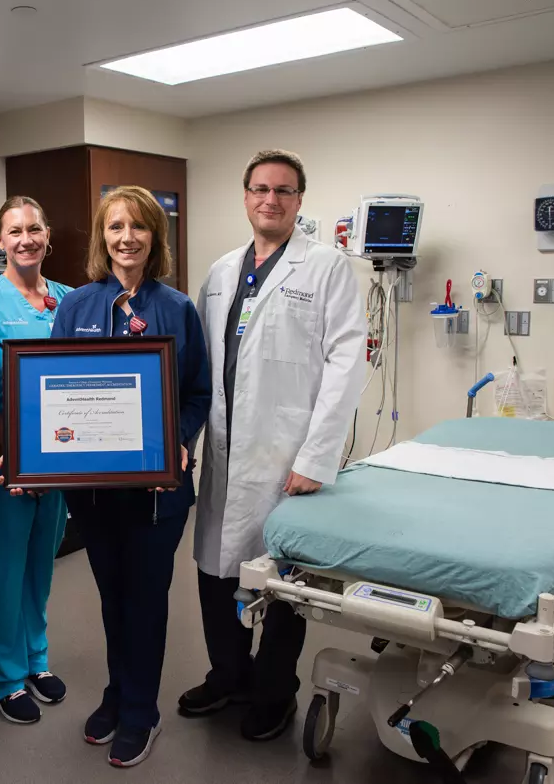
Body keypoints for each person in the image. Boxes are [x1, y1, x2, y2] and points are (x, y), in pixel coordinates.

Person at [181, 149, 365, 740]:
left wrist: (316, 458)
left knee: (283, 579)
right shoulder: (221, 271)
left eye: (284, 191)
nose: (271, 199)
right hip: (224, 449)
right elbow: (195, 363)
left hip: (287, 454)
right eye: (260, 189)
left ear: (299, 201)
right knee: (215, 570)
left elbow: (346, 363)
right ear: (245, 197)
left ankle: (274, 690)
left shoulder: (327, 268)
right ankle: (228, 675)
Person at [49, 185, 210, 767]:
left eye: (139, 227)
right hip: (95, 492)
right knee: (112, 597)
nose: (126, 238)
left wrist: (181, 441)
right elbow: (52, 391)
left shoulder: (177, 309)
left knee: (145, 599)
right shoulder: (75, 308)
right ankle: (118, 694)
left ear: (154, 237)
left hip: (156, 492)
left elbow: (196, 394)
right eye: (116, 226)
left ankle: (142, 710)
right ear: (102, 236)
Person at [0, 197, 73, 724]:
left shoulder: (69, 299)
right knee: (3, 573)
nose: (26, 239)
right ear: (0, 240)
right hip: (5, 465)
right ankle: (7, 676)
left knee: (41, 564)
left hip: (58, 461)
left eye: (34, 228)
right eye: (15, 231)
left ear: (47, 234)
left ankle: (37, 659)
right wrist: (10, 456)